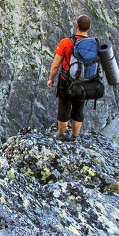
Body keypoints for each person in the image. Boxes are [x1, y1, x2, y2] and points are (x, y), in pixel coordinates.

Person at [46, 14, 92, 142]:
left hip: (66, 80)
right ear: (89, 27)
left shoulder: (66, 42)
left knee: (64, 106)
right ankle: (75, 136)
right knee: (79, 108)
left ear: (76, 25)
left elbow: (55, 65)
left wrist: (51, 79)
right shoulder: (93, 45)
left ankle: (61, 135)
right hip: (84, 82)